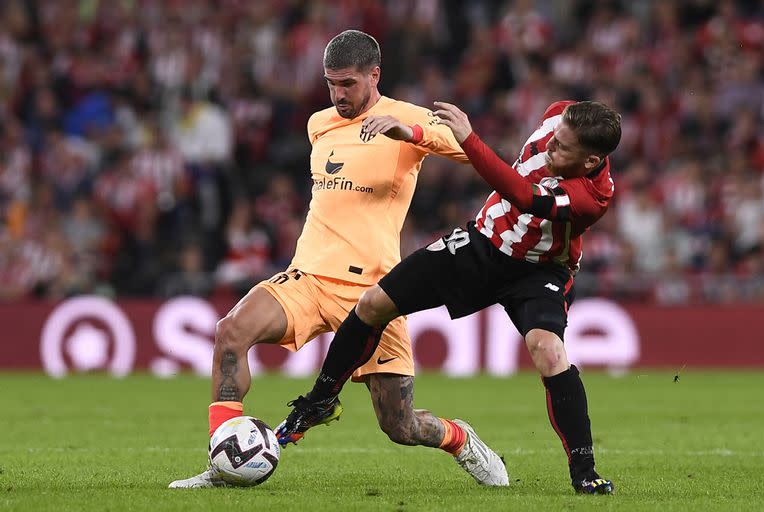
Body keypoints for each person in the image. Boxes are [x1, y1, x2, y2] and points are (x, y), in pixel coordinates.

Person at [169, 30, 508, 488]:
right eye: (331, 84)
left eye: (348, 84)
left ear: (375, 75)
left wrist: (408, 132)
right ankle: (220, 460)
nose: (338, 95)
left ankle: (460, 440)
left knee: (399, 425)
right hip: (309, 276)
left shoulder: (406, 117)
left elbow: (470, 152)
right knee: (230, 332)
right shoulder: (319, 124)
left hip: (377, 293)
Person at [276, 99, 622, 495]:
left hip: (539, 270)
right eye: (554, 136)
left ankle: (584, 471)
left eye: (562, 148)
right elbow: (548, 134)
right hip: (482, 243)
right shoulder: (560, 114)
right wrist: (415, 133)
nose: (550, 147)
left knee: (548, 349)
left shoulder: (590, 197)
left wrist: (468, 137)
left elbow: (522, 195)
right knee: (373, 304)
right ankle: (321, 400)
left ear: (591, 161)